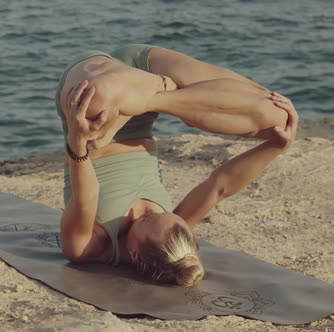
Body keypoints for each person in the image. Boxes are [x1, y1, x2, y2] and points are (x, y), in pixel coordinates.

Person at [55, 44, 298, 287]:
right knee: (279, 117)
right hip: (143, 89)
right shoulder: (173, 230)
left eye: (149, 218)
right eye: (164, 212)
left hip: (100, 105)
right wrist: (276, 146)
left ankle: (163, 94)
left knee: (98, 95)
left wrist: (77, 141)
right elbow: (219, 187)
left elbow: (86, 197)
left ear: (135, 253)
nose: (153, 209)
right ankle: (157, 97)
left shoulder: (88, 246)